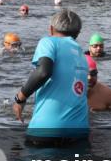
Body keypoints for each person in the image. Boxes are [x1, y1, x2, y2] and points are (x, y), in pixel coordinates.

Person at [12, 9, 90, 144]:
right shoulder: (81, 54)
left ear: (51, 29)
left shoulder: (49, 42)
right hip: (80, 133)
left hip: (46, 132)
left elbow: (43, 72)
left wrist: (20, 98)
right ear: (77, 33)